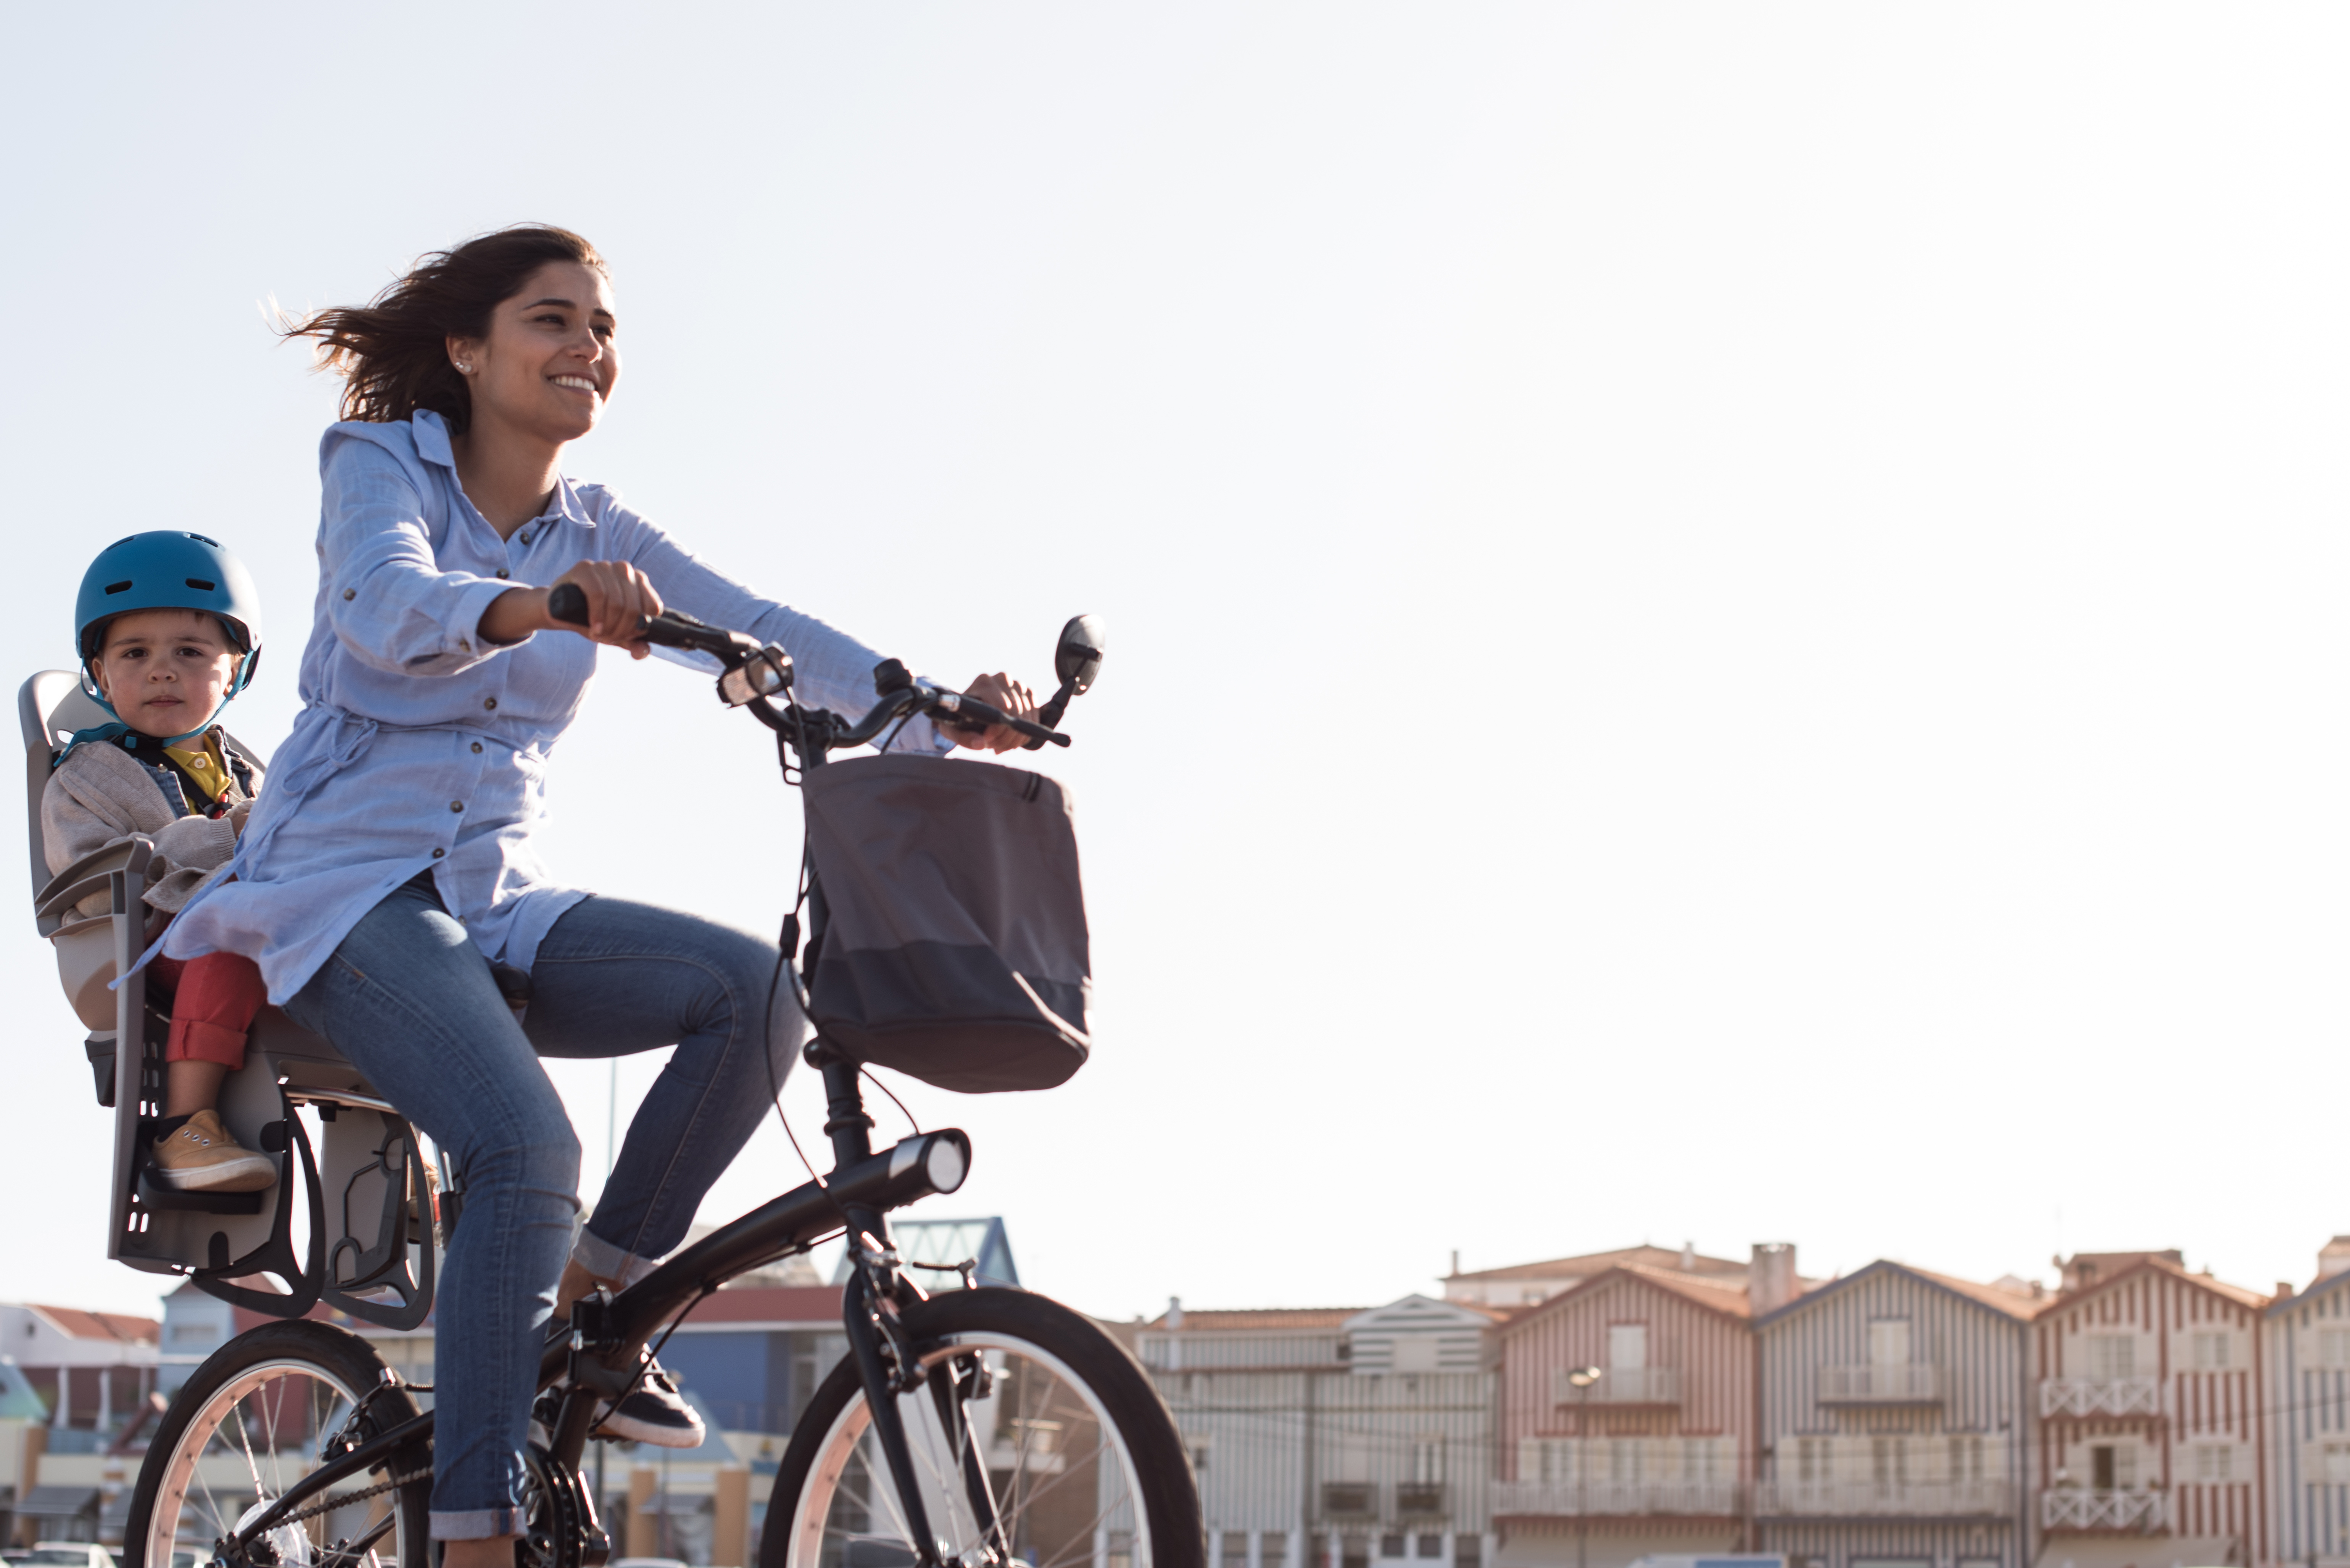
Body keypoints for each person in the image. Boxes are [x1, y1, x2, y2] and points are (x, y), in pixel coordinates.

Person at [155, 224, 1037, 1561]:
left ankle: (596, 1316)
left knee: (755, 994)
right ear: (468, 347)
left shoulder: (601, 525)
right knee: (528, 1148)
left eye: (602, 329)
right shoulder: (379, 464)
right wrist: (540, 606)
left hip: (492, 897)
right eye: (551, 321)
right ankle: (471, 1533)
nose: (588, 349)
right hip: (338, 893)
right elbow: (386, 604)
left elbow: (776, 631)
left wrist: (936, 712)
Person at [45, 532, 275, 1193]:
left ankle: (391, 1145)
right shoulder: (88, 775)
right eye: (135, 653)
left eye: (190, 652)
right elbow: (89, 879)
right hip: (141, 943)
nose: (162, 670)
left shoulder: (249, 773)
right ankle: (185, 1129)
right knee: (226, 924)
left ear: (236, 670)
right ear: (102, 674)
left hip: (274, 937)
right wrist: (231, 843)